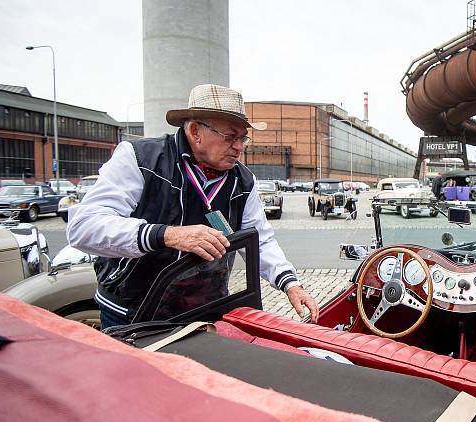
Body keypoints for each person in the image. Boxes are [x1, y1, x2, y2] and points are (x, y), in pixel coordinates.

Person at [67, 84, 319, 329]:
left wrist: (289, 283)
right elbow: (83, 226)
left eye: (243, 138)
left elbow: (260, 239)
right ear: (196, 131)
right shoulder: (140, 158)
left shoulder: (242, 180)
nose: (239, 146)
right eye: (230, 136)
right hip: (134, 311)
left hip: (204, 311)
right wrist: (168, 234)